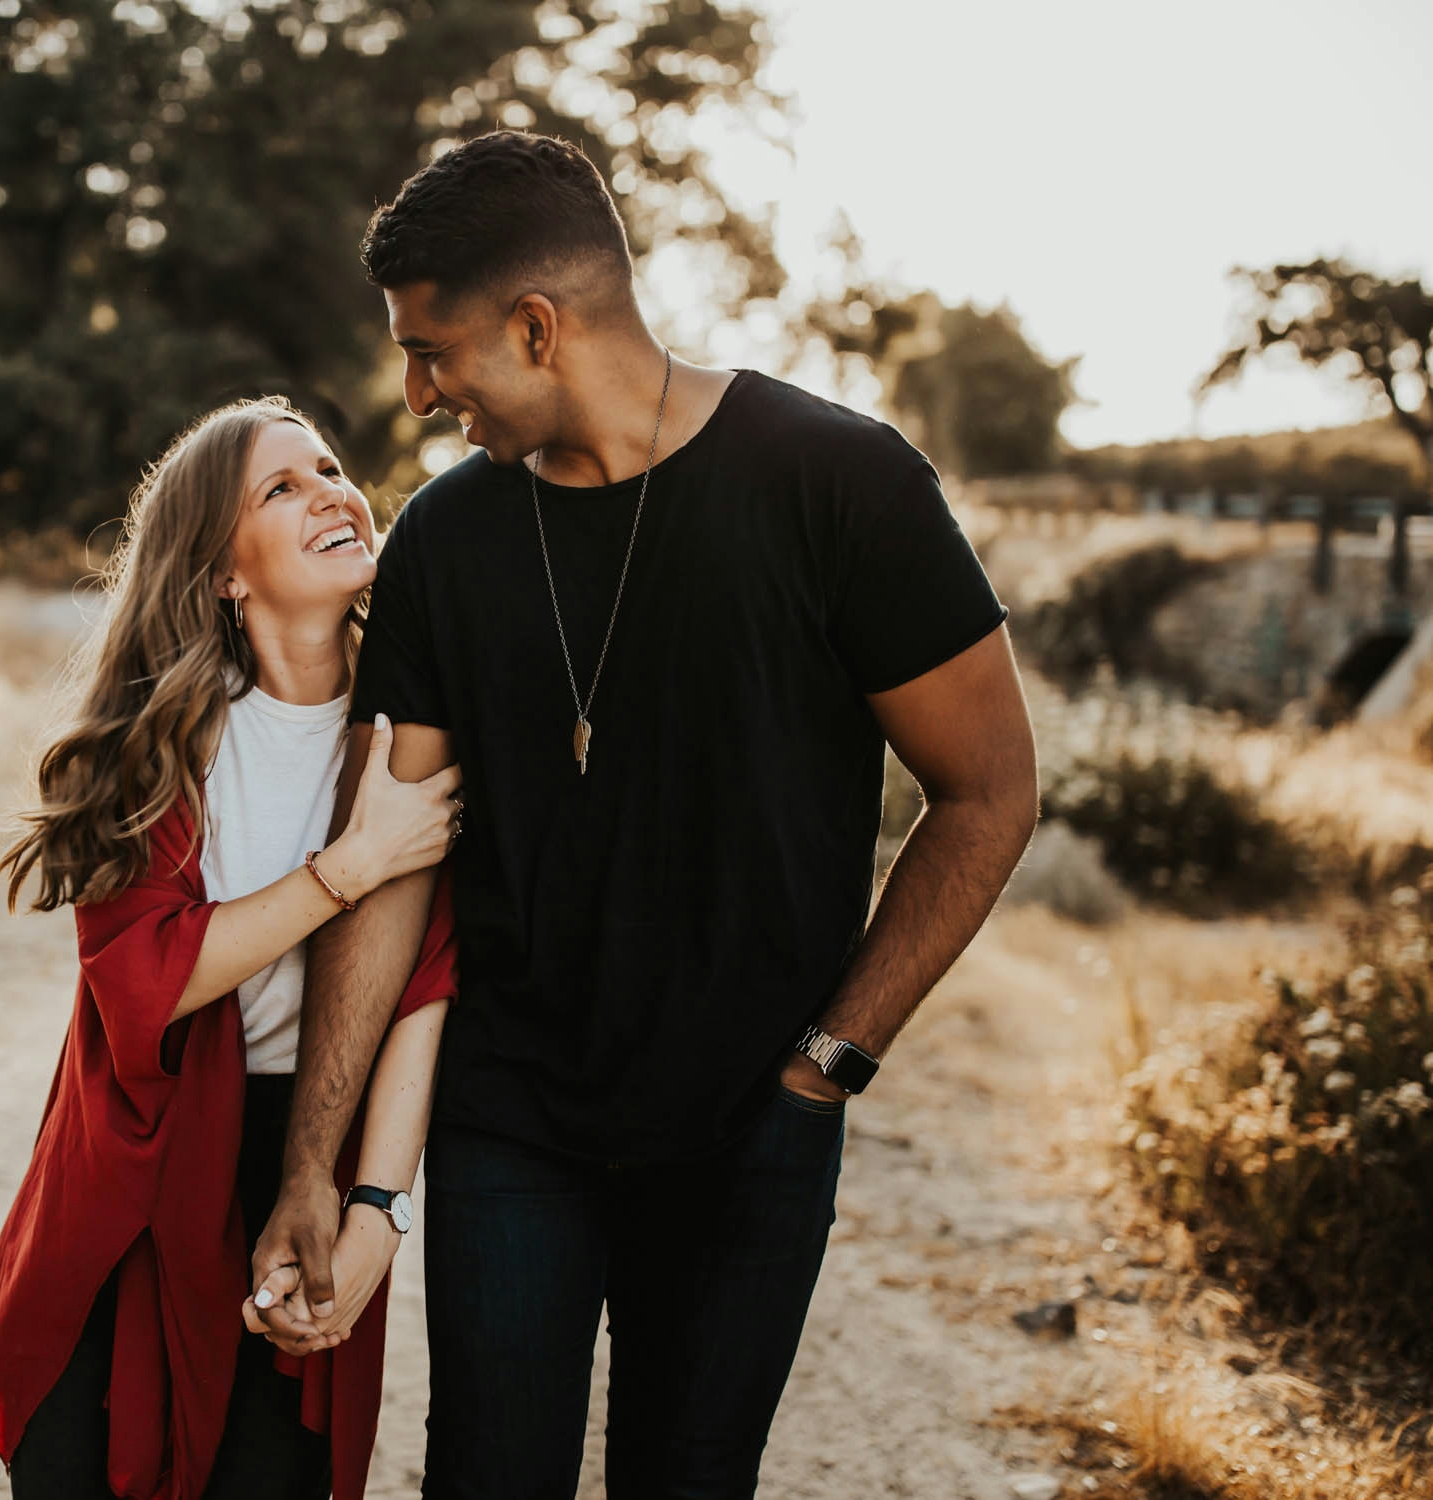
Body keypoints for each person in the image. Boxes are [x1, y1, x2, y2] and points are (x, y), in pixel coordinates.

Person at [247, 131, 1042, 1498]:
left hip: (755, 1124)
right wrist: (313, 1164)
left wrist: (822, 1071)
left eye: (432, 351)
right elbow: (391, 864)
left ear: (537, 326)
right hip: (513, 1123)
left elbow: (987, 795)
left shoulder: (839, 484)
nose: (417, 393)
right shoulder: (446, 538)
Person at [0, 395, 466, 1500]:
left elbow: (426, 991)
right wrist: (349, 869)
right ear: (223, 571)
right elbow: (149, 977)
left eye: (331, 467)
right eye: (281, 487)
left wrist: (378, 1210)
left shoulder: (411, 736)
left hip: (310, 1149)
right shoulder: (160, 746)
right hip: (141, 1170)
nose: (333, 490)